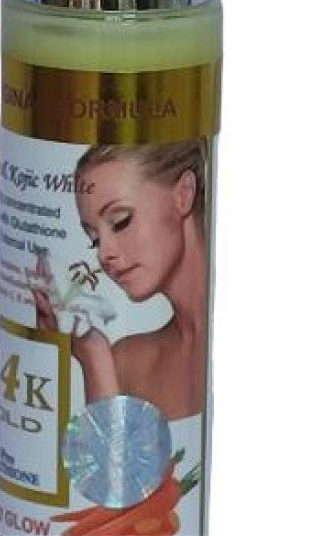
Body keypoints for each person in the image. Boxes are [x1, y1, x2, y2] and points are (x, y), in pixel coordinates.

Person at [32, 141, 209, 421]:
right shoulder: (129, 363)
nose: (104, 253)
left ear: (184, 194)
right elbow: (108, 451)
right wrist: (94, 357)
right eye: (94, 240)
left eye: (121, 221)